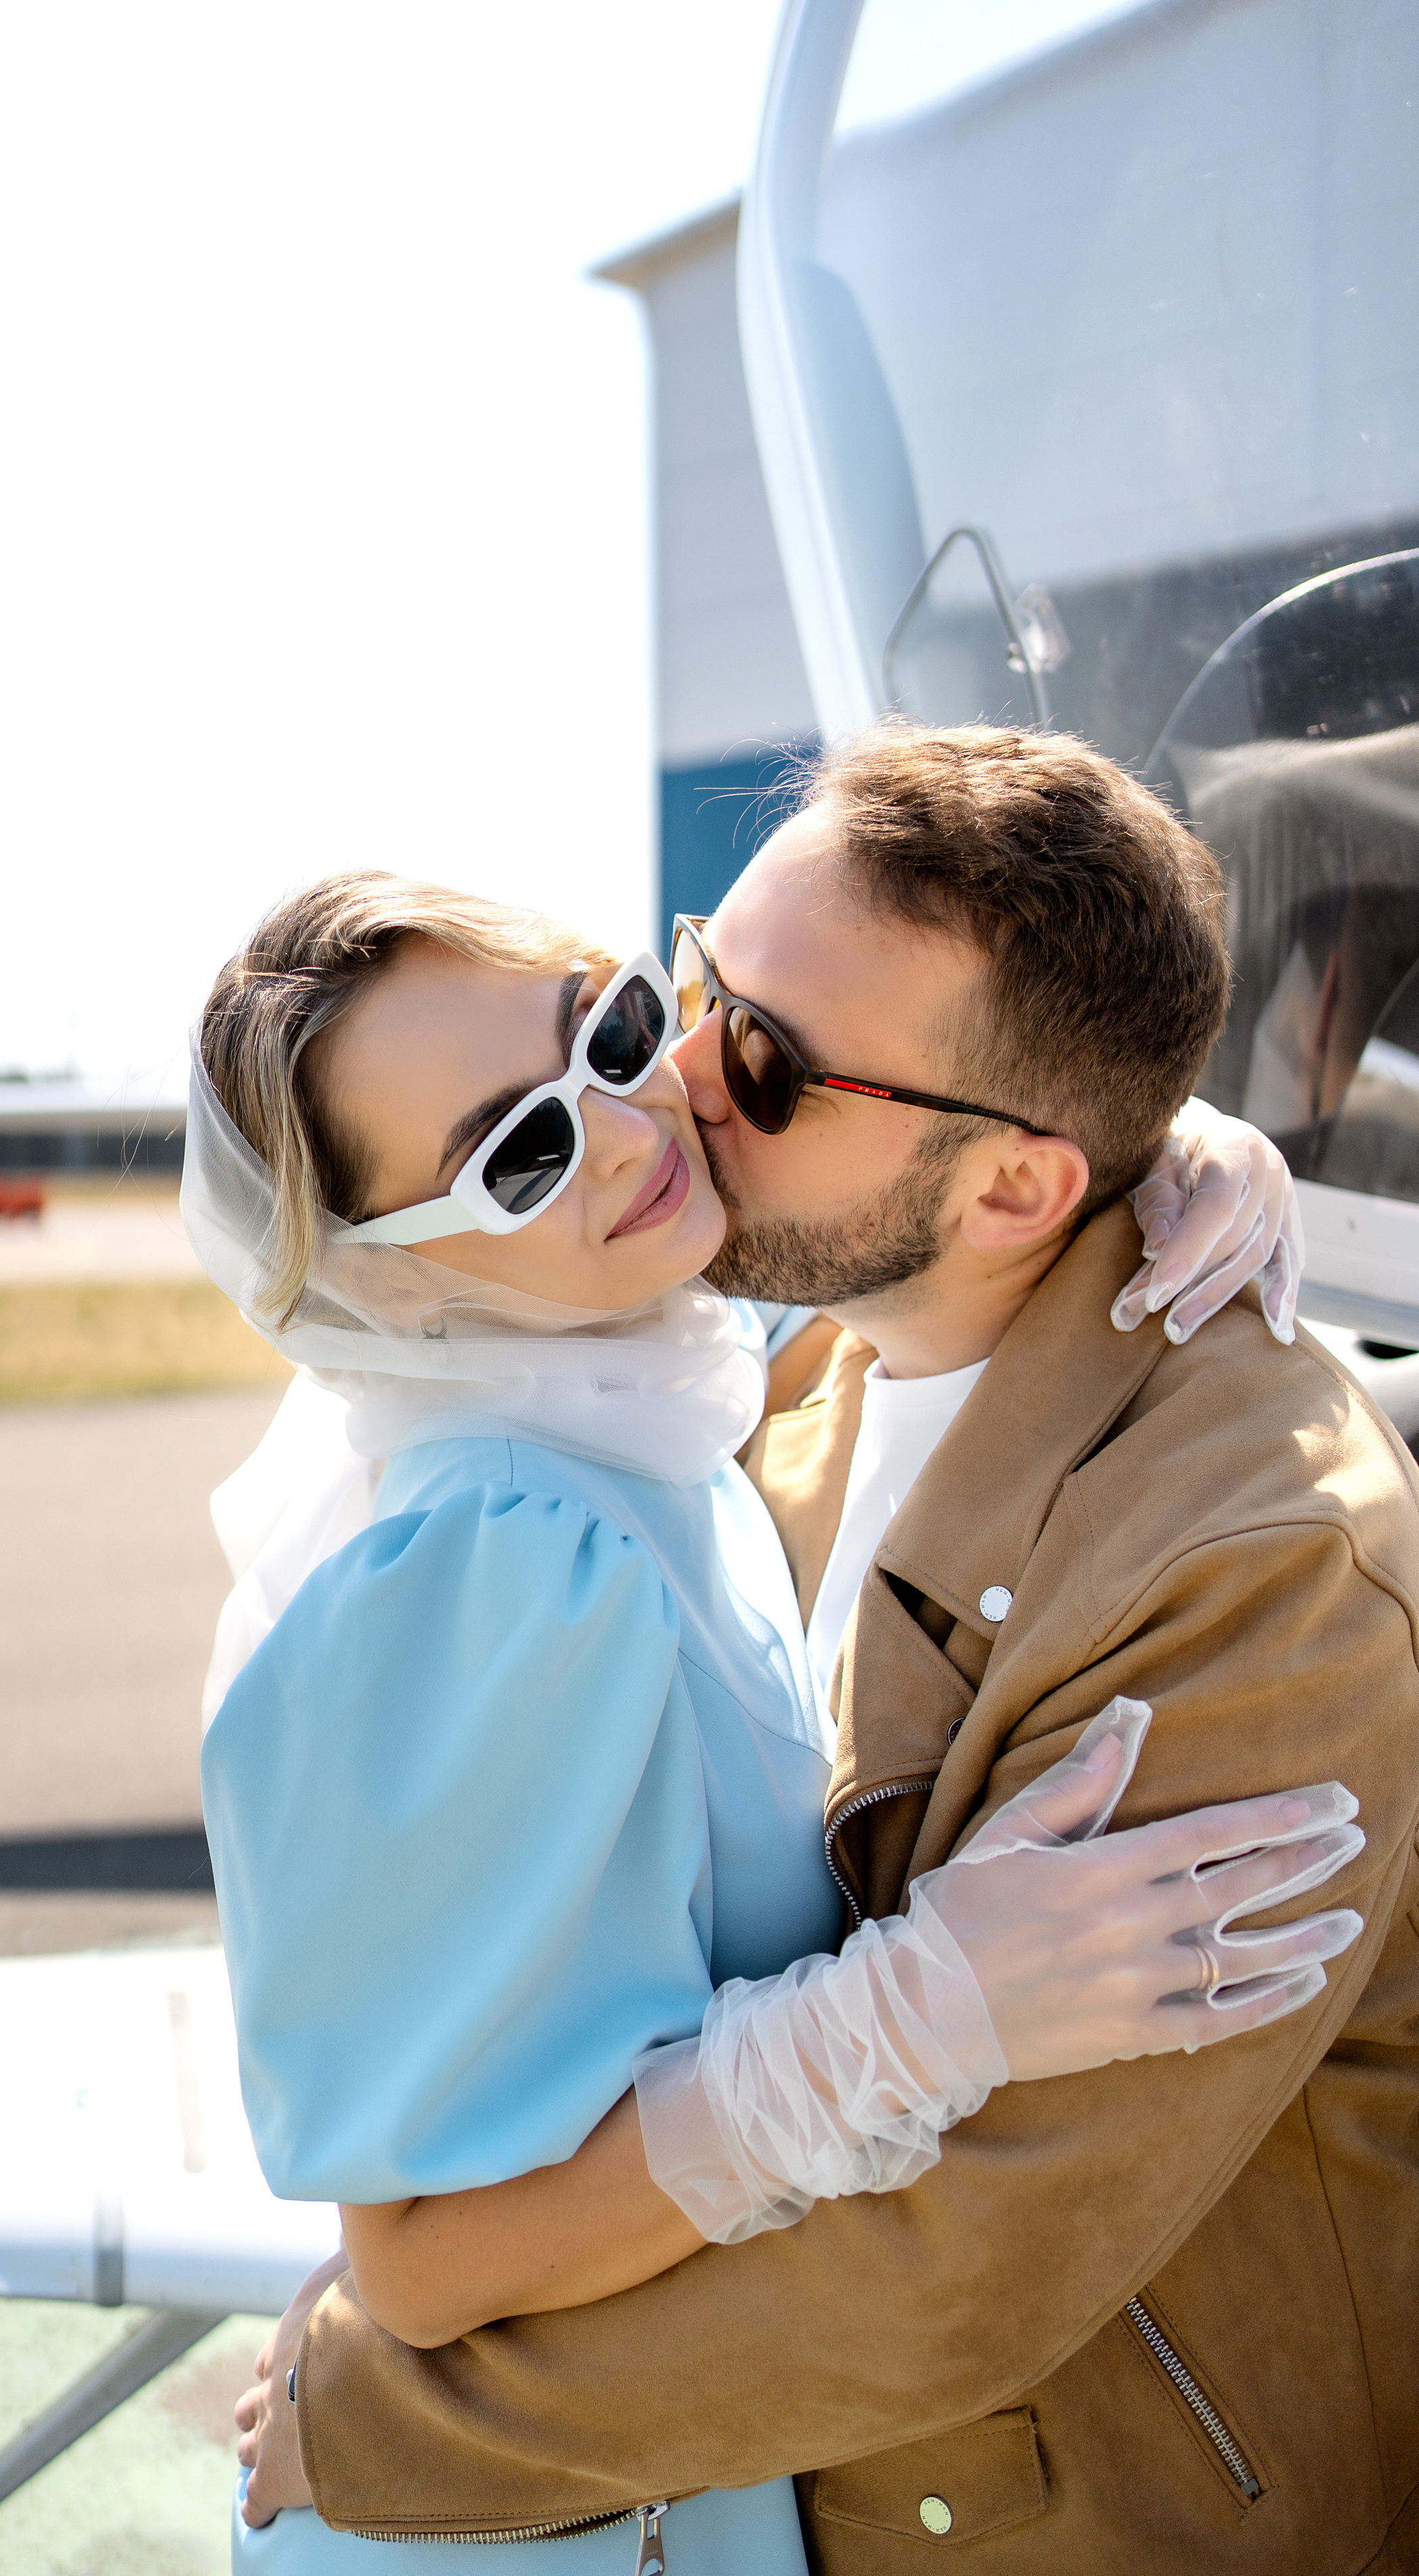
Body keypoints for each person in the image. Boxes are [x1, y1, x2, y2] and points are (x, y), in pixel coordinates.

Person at [250, 728, 1419, 2574]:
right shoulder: (758, 1363)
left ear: (1021, 1191)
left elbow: (961, 2261)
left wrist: (382, 2414)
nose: (672, 1095)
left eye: (771, 1065)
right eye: (692, 988)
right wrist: (1160, 1129)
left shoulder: (1259, 1575)